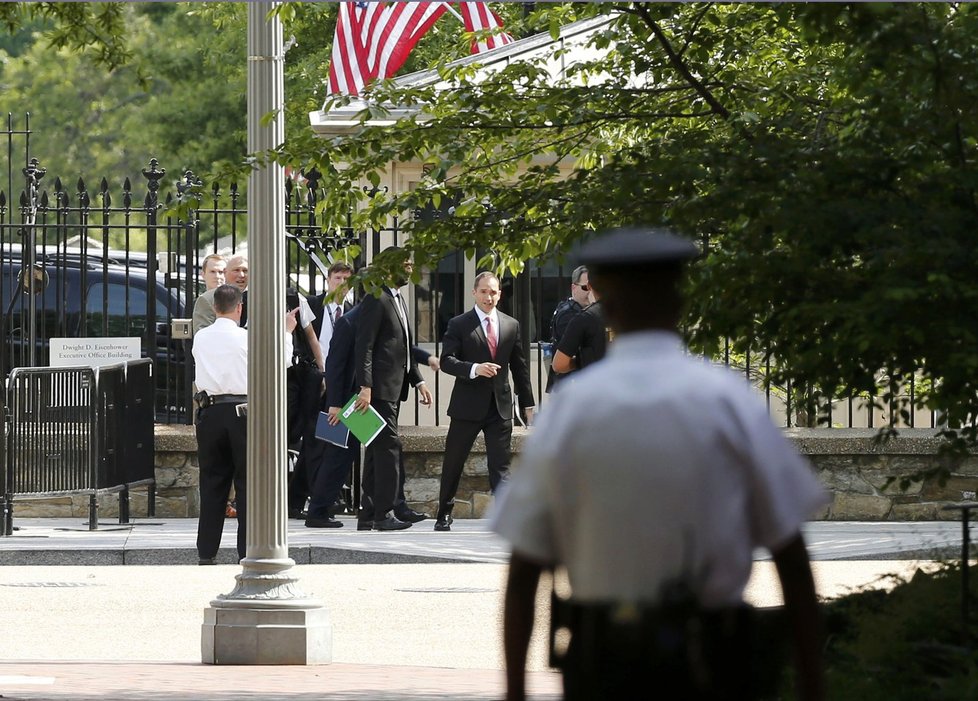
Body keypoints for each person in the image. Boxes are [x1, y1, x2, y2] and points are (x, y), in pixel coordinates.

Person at [492, 227, 827, 701]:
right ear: (680, 298)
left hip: (604, 659)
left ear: (606, 301)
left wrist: (514, 692)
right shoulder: (728, 400)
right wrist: (813, 685)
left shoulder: (573, 410)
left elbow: (526, 569)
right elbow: (790, 555)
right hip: (713, 658)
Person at [306, 302, 437, 529]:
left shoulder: (371, 316)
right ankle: (318, 511)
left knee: (382, 452)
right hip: (348, 403)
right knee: (340, 457)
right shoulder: (348, 321)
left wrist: (425, 363)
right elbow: (335, 365)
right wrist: (335, 404)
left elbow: (399, 347)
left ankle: (382, 508)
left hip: (363, 402)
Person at [192, 283, 297, 565]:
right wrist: (287, 332)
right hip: (241, 412)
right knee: (247, 483)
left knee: (212, 483)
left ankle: (206, 551)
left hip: (209, 412)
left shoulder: (201, 337)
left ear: (214, 308)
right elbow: (281, 362)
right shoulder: (246, 337)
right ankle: (245, 551)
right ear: (240, 308)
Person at [434, 271, 535, 532]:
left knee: (500, 467)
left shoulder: (510, 325)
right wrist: (474, 368)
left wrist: (528, 404)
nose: (489, 297)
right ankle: (444, 513)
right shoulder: (459, 324)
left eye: (493, 292)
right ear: (474, 293)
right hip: (467, 406)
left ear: (500, 294)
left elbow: (520, 367)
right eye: (484, 292)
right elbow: (446, 361)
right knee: (454, 461)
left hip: (499, 407)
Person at [353, 248, 433, 531]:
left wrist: (418, 380)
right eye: (405, 265)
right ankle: (384, 514)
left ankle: (369, 513)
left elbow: (403, 349)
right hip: (377, 390)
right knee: (388, 448)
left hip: (393, 388)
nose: (410, 269)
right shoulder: (377, 298)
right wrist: (365, 386)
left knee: (377, 450)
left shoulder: (397, 299)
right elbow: (366, 345)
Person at [291, 262, 355, 519]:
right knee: (314, 441)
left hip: (339, 385)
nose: (341, 283)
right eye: (337, 278)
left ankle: (308, 498)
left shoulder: (353, 311)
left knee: (327, 442)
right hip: (313, 383)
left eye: (346, 279)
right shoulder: (312, 304)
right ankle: (308, 501)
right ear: (328, 280)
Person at [545, 265, 589, 392]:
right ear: (573, 288)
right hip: (571, 385)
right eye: (585, 287)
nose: (590, 291)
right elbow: (581, 350)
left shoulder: (579, 310)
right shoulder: (568, 314)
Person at [551, 284, 607, 378]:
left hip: (596, 382)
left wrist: (582, 361)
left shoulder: (585, 318)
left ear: (590, 287)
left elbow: (559, 364)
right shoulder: (633, 313)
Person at [193, 254, 248, 334]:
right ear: (225, 272)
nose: (241, 275)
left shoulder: (255, 299)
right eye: (236, 270)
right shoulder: (208, 299)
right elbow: (202, 336)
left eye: (245, 271)